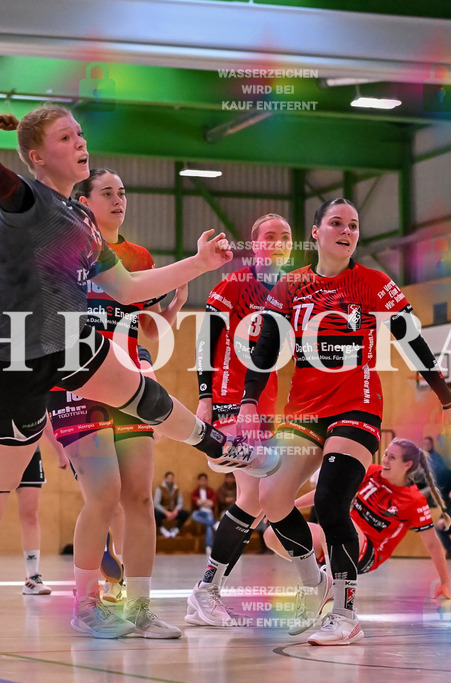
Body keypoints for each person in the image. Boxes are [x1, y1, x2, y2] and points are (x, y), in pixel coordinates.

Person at [0, 92, 270, 640]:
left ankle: (220, 448)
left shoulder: (81, 219)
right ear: (37, 157)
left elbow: (129, 288)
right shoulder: (26, 199)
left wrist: (198, 265)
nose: (80, 142)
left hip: (66, 340)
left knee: (141, 392)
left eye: (80, 134)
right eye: (66, 138)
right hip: (10, 356)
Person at [236, 198, 451, 646]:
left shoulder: (374, 283)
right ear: (316, 232)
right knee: (272, 496)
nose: (346, 231)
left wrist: (446, 397)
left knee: (331, 500)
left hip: (356, 404)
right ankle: (312, 581)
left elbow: (411, 339)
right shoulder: (291, 286)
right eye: (336, 223)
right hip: (303, 409)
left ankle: (345, 612)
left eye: (354, 225)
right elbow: (264, 349)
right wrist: (247, 401)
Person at [44, 167, 189, 638]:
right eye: (107, 192)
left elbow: (150, 330)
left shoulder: (138, 257)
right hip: (77, 381)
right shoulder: (61, 254)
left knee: (140, 498)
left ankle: (139, 609)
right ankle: (85, 605)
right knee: (103, 494)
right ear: (84, 201)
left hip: (132, 380)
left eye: (123, 192)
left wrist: (171, 310)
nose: (118, 199)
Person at [186, 214, 293, 627]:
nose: (279, 242)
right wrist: (204, 397)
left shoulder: (290, 288)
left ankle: (207, 590)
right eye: (270, 236)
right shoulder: (234, 284)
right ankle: (207, 591)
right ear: (255, 243)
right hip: (232, 397)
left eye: (285, 237)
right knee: (255, 496)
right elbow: (205, 339)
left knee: (258, 497)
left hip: (263, 402)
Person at [262, 438, 451, 640]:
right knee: (273, 534)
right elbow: (325, 493)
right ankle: (322, 580)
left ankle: (330, 585)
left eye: (392, 457)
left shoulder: (414, 500)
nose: (386, 460)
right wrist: (290, 505)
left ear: (407, 465)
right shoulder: (372, 471)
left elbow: (433, 544)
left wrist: (444, 581)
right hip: (340, 536)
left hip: (367, 553)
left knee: (332, 508)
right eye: (386, 454)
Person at [0, 388, 69, 595]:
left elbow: (43, 418)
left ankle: (32, 576)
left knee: (30, 515)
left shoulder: (32, 377)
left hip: (30, 454)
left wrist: (60, 451)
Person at [154, 471, 188, 537]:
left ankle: (176, 529)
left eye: (171, 478)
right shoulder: (160, 488)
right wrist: (166, 512)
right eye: (169, 478)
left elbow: (180, 503)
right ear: (165, 479)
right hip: (164, 511)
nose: (170, 480)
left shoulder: (176, 489)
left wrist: (176, 511)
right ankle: (162, 530)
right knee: (155, 513)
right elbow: (156, 503)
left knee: (185, 513)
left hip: (173, 510)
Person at [191, 473, 218, 552]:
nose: (203, 482)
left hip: (209, 512)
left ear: (207, 481)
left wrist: (203, 502)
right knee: (194, 515)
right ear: (198, 481)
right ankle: (214, 524)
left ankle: (208, 546)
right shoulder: (195, 492)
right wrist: (205, 502)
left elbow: (212, 502)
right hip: (199, 512)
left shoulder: (211, 491)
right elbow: (195, 501)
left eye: (204, 480)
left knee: (208, 526)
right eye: (201, 480)